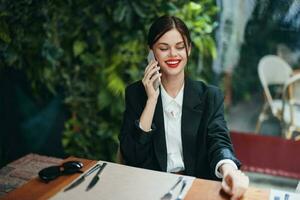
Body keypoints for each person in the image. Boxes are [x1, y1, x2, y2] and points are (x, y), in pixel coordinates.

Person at [119, 15, 249, 199]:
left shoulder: (209, 96)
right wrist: (151, 100)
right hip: (151, 189)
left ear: (188, 49)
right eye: (163, 48)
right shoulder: (136, 94)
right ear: (151, 53)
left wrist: (229, 170)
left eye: (180, 47)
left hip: (195, 188)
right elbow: (132, 156)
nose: (173, 54)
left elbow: (219, 141)